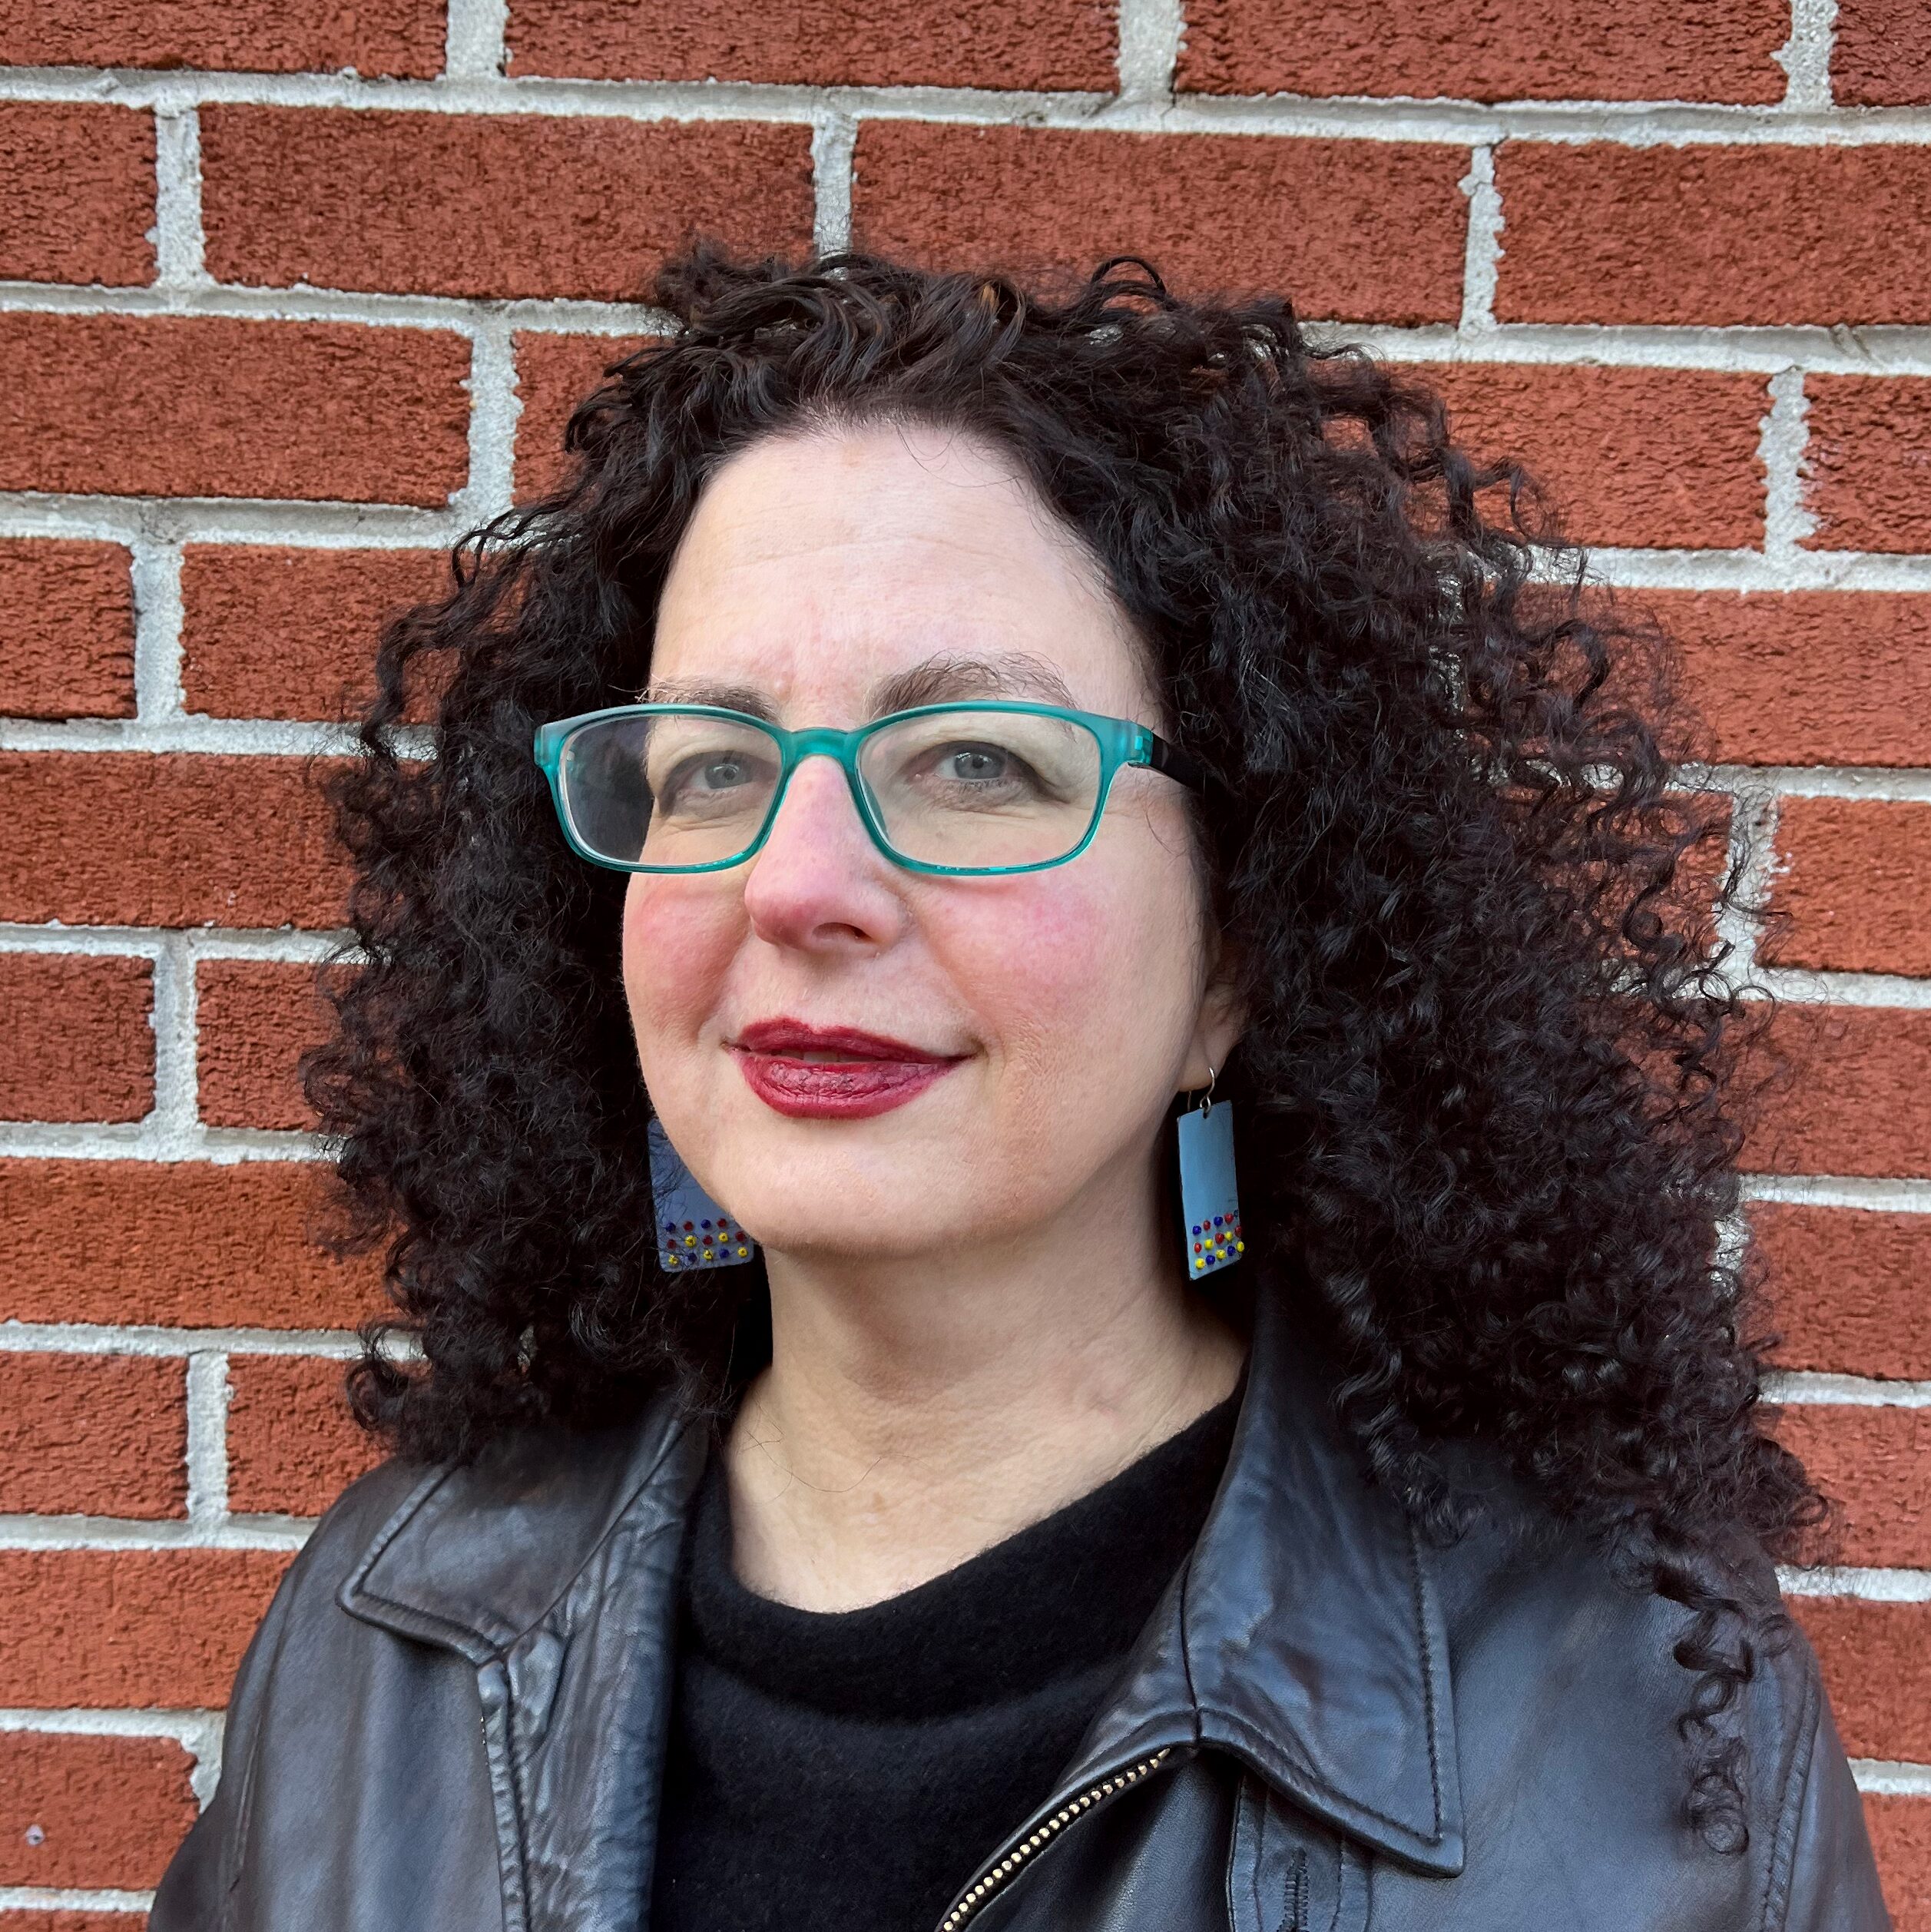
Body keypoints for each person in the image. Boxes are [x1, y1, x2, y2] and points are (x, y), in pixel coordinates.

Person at [151, 245, 1890, 1931]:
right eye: (708, 767)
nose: (796, 880)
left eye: (976, 760)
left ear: (1238, 951)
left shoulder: (1643, 1734)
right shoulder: (381, 1648)